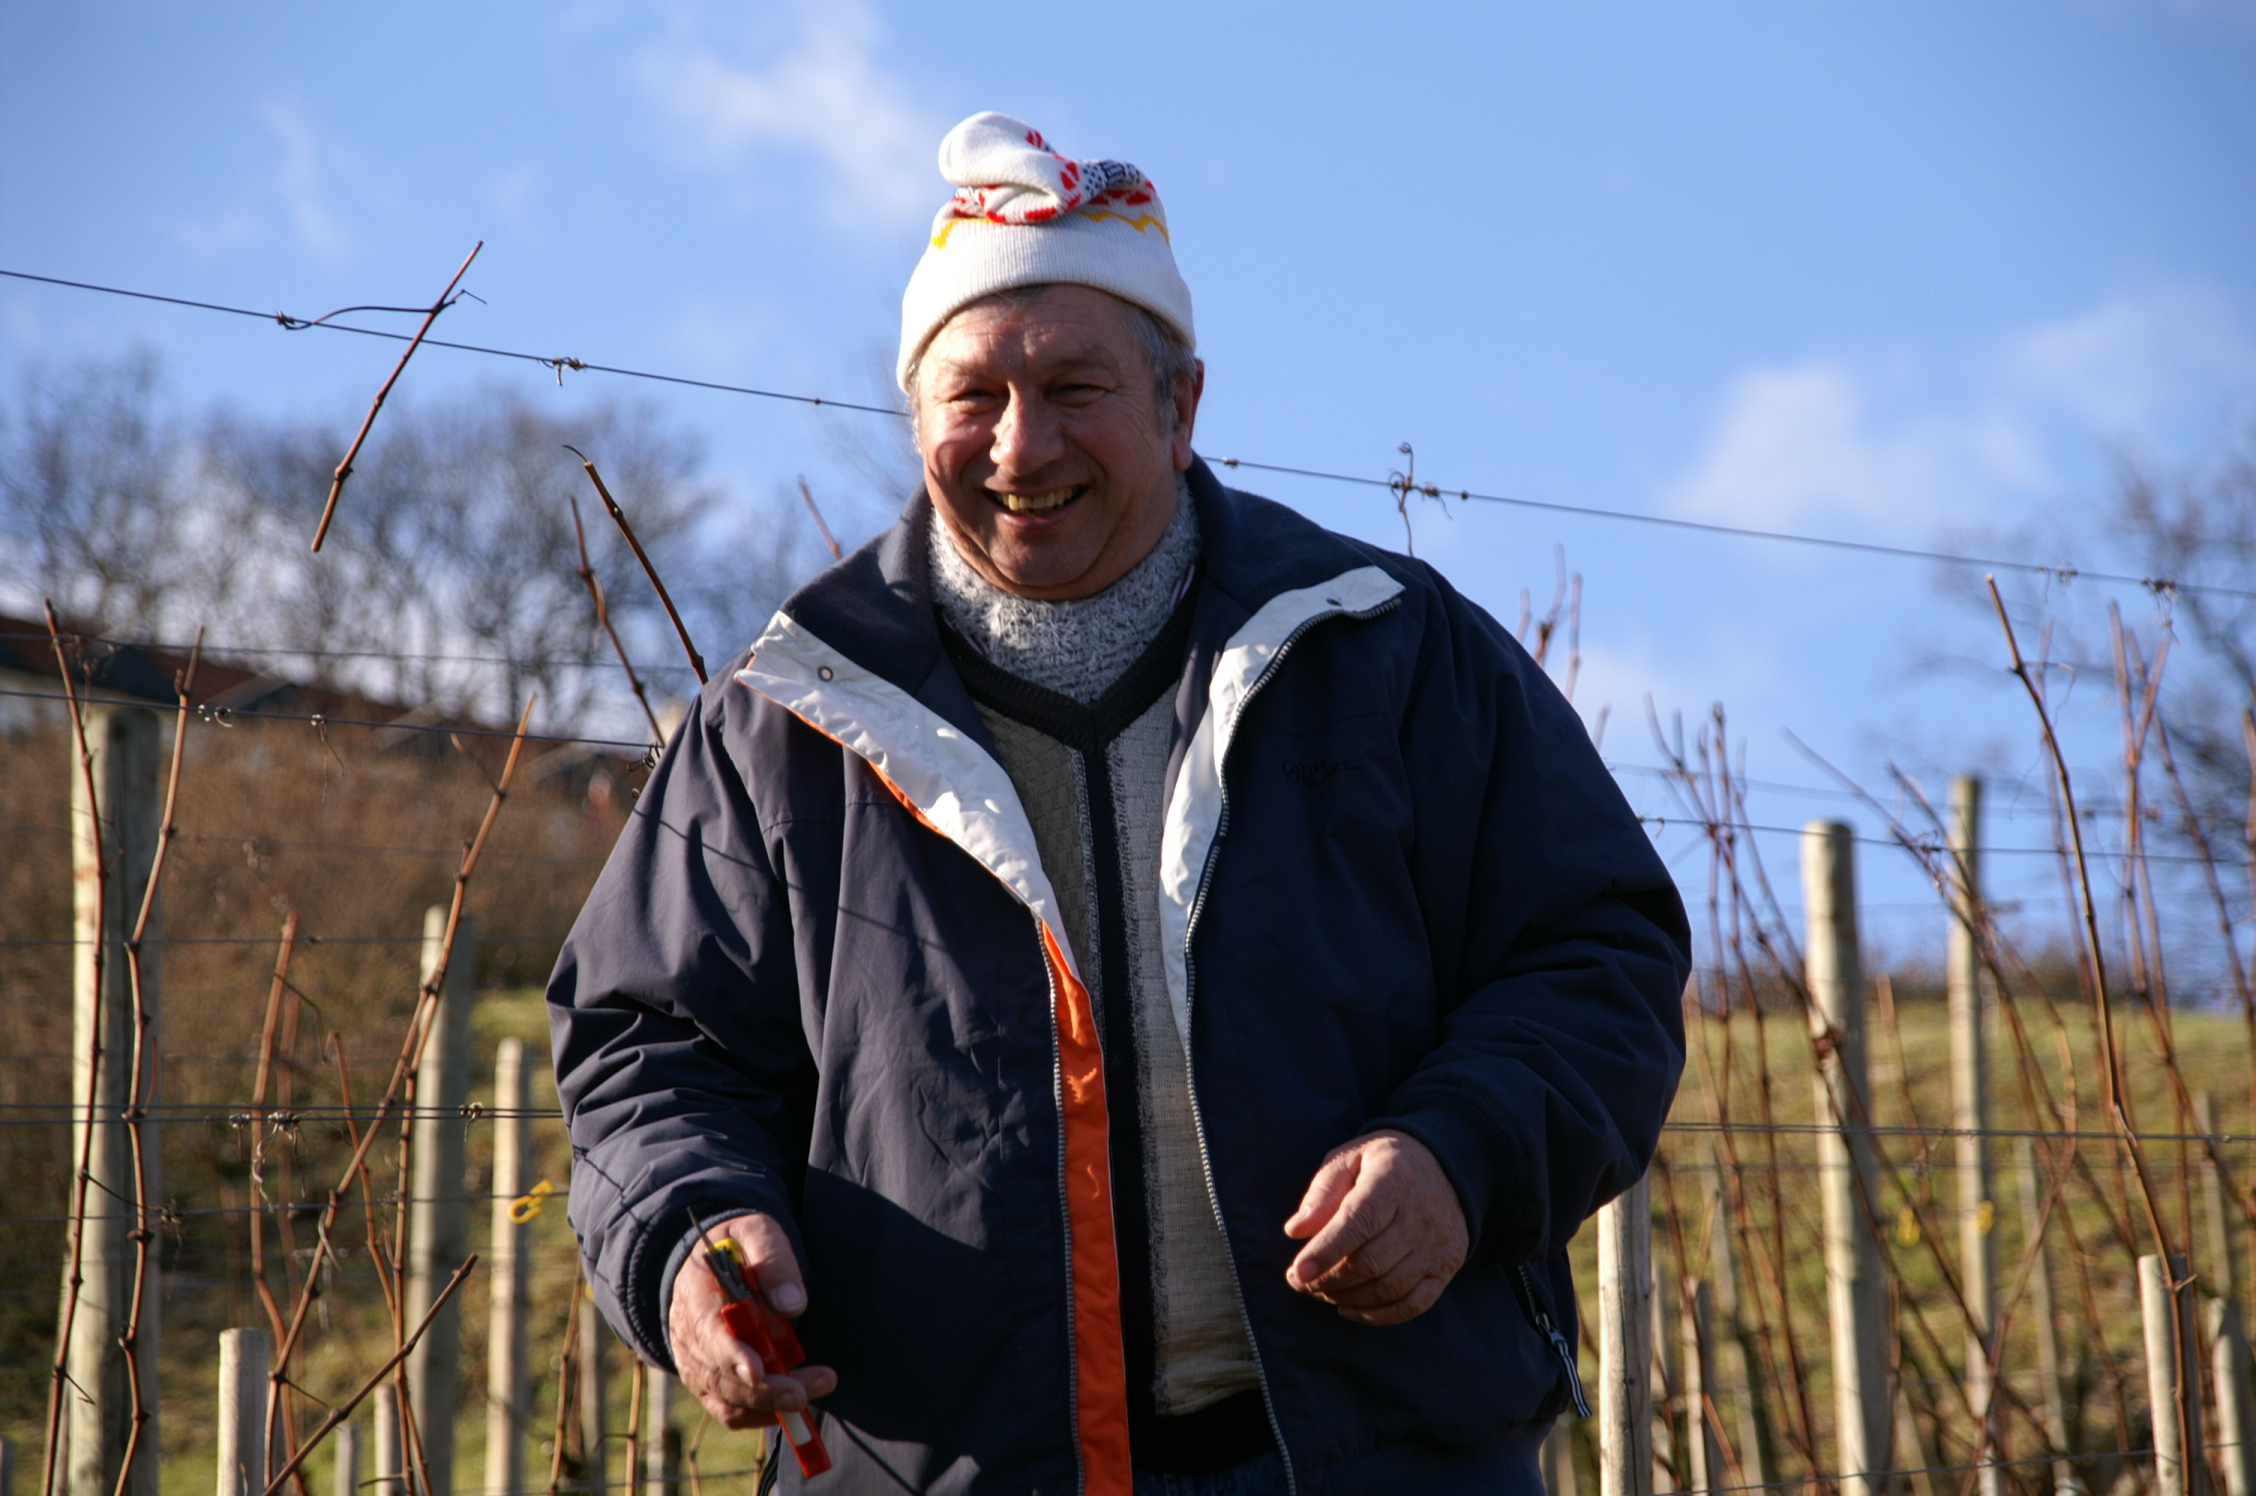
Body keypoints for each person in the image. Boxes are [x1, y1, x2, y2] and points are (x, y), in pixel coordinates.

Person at [550, 111, 1690, 1496]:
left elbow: (1594, 951)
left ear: (1181, 405)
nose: (1022, 446)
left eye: (1074, 386)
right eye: (973, 395)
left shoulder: (1388, 650)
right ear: (916, 419)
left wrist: (1459, 1153)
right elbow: (649, 1050)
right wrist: (693, 1238)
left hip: (1376, 1460)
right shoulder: (782, 719)